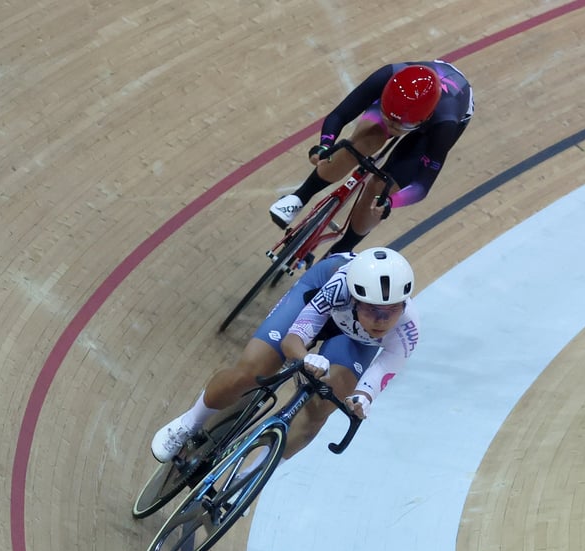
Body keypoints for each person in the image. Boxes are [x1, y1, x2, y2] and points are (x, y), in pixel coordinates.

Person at [150, 247, 420, 463]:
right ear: (355, 299)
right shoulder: (338, 287)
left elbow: (380, 373)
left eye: (391, 311)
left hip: (353, 340)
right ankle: (188, 423)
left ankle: (251, 478)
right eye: (372, 310)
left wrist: (363, 398)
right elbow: (294, 340)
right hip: (315, 299)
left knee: (324, 405)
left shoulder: (408, 329)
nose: (381, 320)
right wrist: (304, 357)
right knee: (253, 371)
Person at [269, 60, 474, 255]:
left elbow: (422, 186)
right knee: (363, 143)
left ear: (425, 119)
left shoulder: (444, 125)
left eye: (400, 127)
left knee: (381, 189)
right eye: (389, 118)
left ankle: (340, 252)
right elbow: (339, 115)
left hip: (442, 119)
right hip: (404, 105)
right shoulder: (387, 76)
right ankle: (299, 197)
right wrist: (324, 146)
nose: (393, 129)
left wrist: (390, 202)